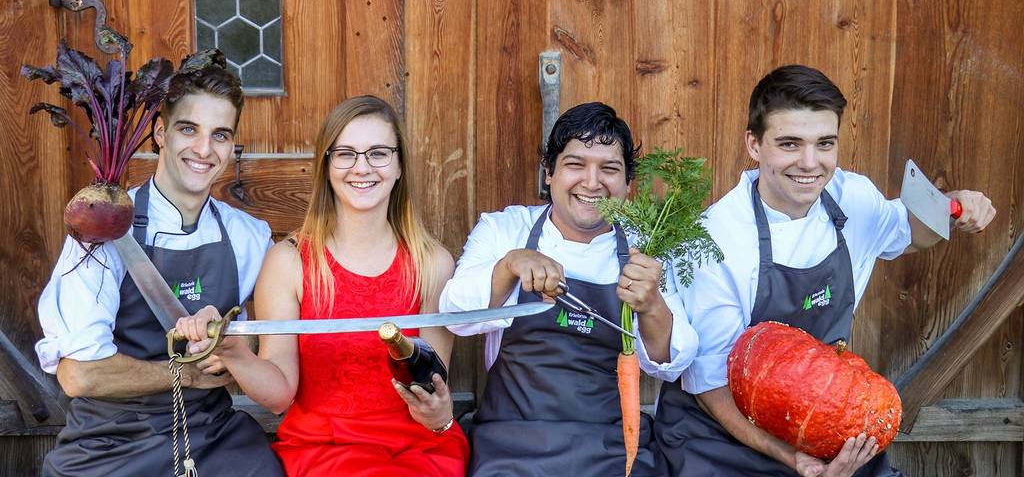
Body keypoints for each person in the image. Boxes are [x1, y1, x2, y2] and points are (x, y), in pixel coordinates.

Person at [654, 64, 997, 477]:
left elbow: (910, 231)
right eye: (790, 144)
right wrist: (794, 461)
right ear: (754, 145)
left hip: (823, 420)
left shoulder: (851, 197)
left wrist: (954, 205)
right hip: (723, 435)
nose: (810, 163)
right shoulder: (715, 240)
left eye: (825, 143)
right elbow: (711, 385)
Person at [174, 95, 470, 476]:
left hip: (418, 448)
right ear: (327, 166)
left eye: (378, 153)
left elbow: (432, 386)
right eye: (345, 153)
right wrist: (234, 352)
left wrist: (439, 411)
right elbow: (280, 396)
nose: (362, 167)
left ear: (399, 166)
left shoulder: (432, 264)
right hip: (325, 447)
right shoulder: (290, 262)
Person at [36, 54, 284, 476]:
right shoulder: (104, 229)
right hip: (112, 442)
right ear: (160, 132)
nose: (204, 150)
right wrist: (186, 375)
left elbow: (259, 346)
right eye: (189, 129)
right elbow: (81, 376)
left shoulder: (249, 237)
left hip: (213, 434)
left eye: (220, 135)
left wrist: (224, 346)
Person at [440, 101, 698, 476]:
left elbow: (669, 364)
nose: (592, 183)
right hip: (511, 445)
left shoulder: (647, 247)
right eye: (575, 165)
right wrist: (510, 265)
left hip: (613, 446)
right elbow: (455, 316)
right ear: (549, 172)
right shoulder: (505, 229)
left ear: (628, 184)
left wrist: (652, 303)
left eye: (609, 169)